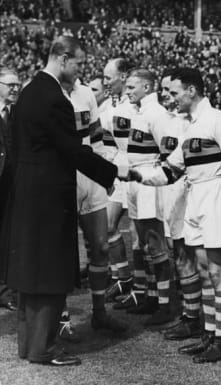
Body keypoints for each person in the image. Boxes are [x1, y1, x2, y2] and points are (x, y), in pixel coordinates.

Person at [1, 35, 120, 366]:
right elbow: (72, 150)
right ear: (64, 58)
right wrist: (112, 173)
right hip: (49, 196)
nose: (80, 70)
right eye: (79, 63)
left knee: (32, 273)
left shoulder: (28, 92)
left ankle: (31, 345)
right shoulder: (54, 98)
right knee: (50, 272)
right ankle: (45, 348)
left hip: (27, 192)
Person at [130, 68, 221, 363]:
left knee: (217, 272)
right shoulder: (188, 127)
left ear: (191, 91)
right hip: (195, 197)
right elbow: (170, 171)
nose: (170, 98)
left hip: (216, 196)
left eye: (174, 92)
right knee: (203, 271)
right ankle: (209, 334)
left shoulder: (220, 122)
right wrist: (131, 173)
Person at [58, 77, 128, 342]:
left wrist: (104, 173)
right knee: (63, 251)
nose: (80, 69)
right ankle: (62, 317)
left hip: (89, 174)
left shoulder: (86, 93)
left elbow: (97, 138)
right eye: (76, 62)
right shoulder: (46, 93)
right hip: (63, 176)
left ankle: (99, 314)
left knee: (100, 245)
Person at [121, 68, 173, 326]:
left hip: (150, 184)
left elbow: (168, 154)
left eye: (132, 87)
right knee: (144, 243)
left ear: (148, 87)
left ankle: (164, 304)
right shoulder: (141, 112)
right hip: (135, 181)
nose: (128, 91)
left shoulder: (157, 114)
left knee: (155, 243)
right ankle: (151, 297)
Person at [157, 71, 202, 340]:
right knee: (180, 255)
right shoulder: (170, 121)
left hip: (191, 194)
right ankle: (190, 314)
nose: (167, 95)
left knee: (191, 258)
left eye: (172, 91)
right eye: (165, 90)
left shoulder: (195, 122)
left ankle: (195, 318)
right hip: (171, 193)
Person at [100, 58, 139, 307]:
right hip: (117, 170)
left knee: (139, 234)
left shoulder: (135, 104)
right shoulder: (109, 104)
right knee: (108, 225)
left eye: (108, 77)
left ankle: (147, 290)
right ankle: (123, 277)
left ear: (123, 76)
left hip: (135, 171)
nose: (105, 82)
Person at [0, 68, 20, 311]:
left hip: (13, 183)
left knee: (8, 235)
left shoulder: (18, 113)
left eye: (18, 84)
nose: (15, 88)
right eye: (10, 84)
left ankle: (5, 290)